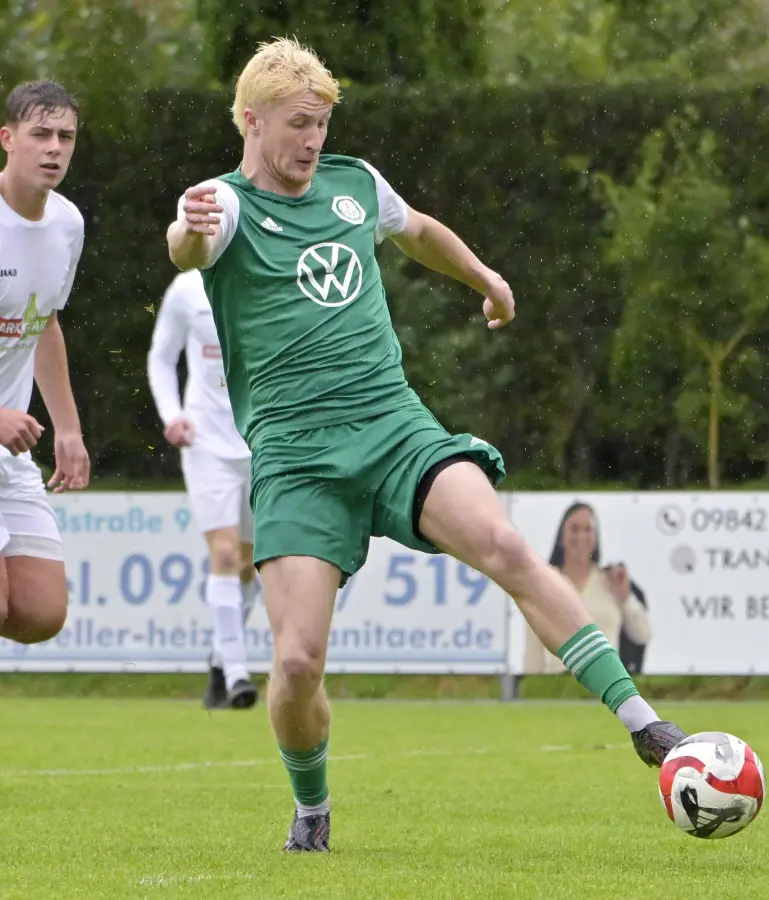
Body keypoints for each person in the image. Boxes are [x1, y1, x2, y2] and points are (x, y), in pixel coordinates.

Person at [164, 37, 685, 852]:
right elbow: (187, 248)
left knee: (506, 543)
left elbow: (417, 230)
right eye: (299, 125)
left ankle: (646, 725)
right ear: (251, 119)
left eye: (323, 126)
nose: (313, 142)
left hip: (392, 425)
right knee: (297, 663)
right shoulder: (223, 206)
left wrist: (487, 280)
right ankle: (311, 807)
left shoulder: (354, 183)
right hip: (297, 458)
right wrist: (187, 230)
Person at [0, 80, 91, 647]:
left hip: (10, 453)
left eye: (66, 136)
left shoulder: (68, 224)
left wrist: (69, 428)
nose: (54, 148)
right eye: (40, 134)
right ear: (7, 139)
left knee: (39, 612)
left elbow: (46, 322)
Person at [147, 268, 260, 710]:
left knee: (250, 565)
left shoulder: (267, 272)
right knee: (226, 554)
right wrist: (171, 414)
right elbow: (161, 356)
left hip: (258, 440)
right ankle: (237, 674)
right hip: (205, 442)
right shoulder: (186, 289)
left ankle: (219, 659)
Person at [526, 502, 652, 675]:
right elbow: (533, 648)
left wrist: (625, 597)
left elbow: (642, 634)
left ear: (596, 536)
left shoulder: (609, 582)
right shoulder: (547, 582)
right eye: (574, 529)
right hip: (558, 684)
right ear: (562, 534)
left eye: (588, 530)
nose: (581, 536)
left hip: (607, 682)